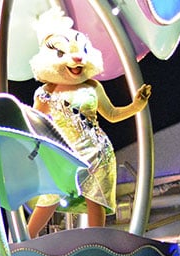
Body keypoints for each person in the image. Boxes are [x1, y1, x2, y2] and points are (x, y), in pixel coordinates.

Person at [26, 7, 151, 238]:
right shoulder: (45, 93)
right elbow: (35, 125)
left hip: (97, 151)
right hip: (63, 153)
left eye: (81, 50)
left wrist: (136, 106)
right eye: (63, 52)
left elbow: (111, 114)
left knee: (96, 198)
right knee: (49, 198)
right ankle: (23, 243)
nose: (76, 59)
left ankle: (97, 245)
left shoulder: (93, 86)